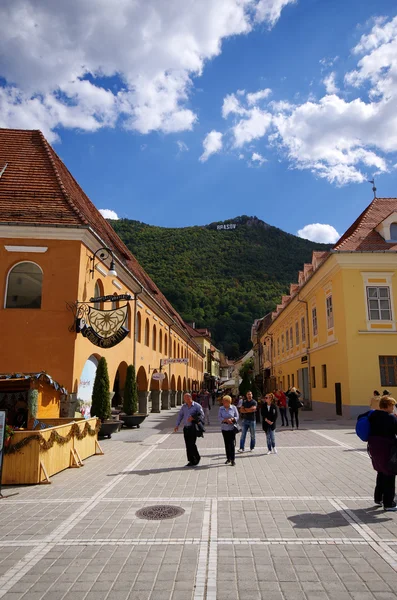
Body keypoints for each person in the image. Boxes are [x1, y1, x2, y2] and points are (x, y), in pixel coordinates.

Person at [368, 396, 397, 511]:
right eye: (393, 405)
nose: (393, 407)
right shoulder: (390, 418)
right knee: (390, 473)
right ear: (388, 405)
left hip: (374, 447)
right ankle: (389, 503)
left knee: (381, 471)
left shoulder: (373, 415)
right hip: (387, 448)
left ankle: (378, 498)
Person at [174, 393, 204, 467]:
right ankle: (191, 460)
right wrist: (177, 425)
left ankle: (197, 457)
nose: (186, 400)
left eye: (187, 398)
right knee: (187, 444)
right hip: (186, 428)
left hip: (193, 427)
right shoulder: (184, 407)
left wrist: (193, 418)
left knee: (192, 444)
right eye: (185, 398)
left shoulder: (197, 406)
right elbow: (180, 415)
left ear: (190, 398)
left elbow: (202, 415)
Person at [219, 395, 239, 466]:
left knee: (231, 444)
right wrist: (225, 420)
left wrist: (232, 419)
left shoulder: (233, 408)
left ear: (228, 402)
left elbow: (237, 416)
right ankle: (228, 458)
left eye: (224, 401)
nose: (223, 403)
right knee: (226, 444)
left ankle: (233, 459)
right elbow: (219, 417)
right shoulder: (221, 408)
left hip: (231, 428)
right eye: (223, 401)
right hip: (224, 428)